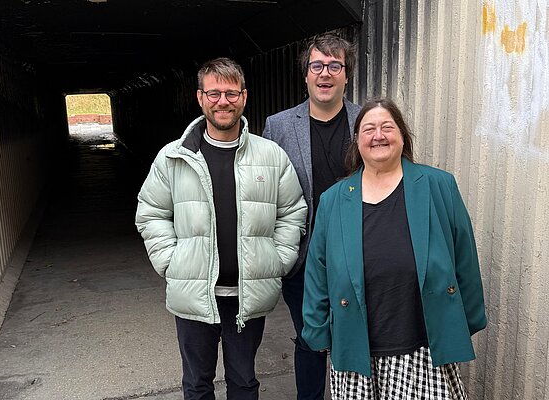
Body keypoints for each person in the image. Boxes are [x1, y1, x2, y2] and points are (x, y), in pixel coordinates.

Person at [135, 57, 307, 400]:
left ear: (244, 97)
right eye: (214, 93)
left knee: (243, 381)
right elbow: (151, 212)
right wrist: (171, 261)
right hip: (194, 293)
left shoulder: (271, 156)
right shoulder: (173, 158)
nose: (223, 101)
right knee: (197, 383)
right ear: (200, 98)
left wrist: (277, 260)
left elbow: (292, 212)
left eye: (231, 93)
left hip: (246, 296)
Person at [302, 98, 487, 399]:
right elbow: (317, 271)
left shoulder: (439, 186)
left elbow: (465, 258)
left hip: (424, 349)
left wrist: (463, 322)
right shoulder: (333, 199)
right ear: (357, 142)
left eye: (387, 127)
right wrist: (317, 330)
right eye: (368, 129)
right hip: (356, 350)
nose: (378, 135)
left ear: (402, 136)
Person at [262, 33, 361, 400]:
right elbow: (265, 191)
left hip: (358, 254)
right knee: (310, 337)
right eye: (317, 65)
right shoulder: (280, 125)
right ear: (305, 74)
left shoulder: (366, 121)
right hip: (303, 259)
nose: (325, 73)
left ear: (346, 75)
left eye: (335, 66)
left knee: (355, 337)